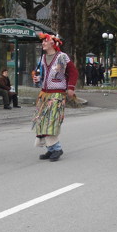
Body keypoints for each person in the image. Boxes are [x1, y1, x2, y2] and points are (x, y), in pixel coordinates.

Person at [32, 32, 78, 162]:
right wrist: (38, 78)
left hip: (57, 93)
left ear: (52, 42)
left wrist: (70, 87)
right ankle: (51, 148)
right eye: (42, 42)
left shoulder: (62, 57)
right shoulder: (42, 58)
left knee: (51, 121)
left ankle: (56, 148)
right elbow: (44, 74)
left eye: (45, 41)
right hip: (44, 93)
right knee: (41, 121)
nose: (43, 43)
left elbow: (73, 72)